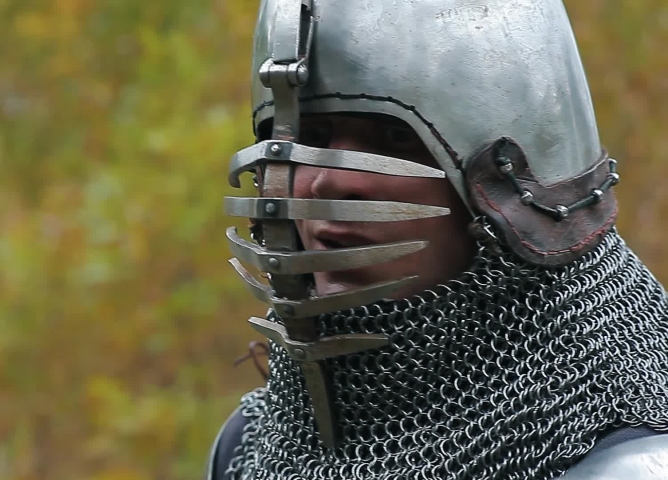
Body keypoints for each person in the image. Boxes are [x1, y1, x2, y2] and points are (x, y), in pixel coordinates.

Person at [207, 0, 668, 479]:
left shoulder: (627, 462)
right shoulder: (253, 448)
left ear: (514, 187)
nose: (327, 181)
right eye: (307, 137)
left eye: (393, 140)